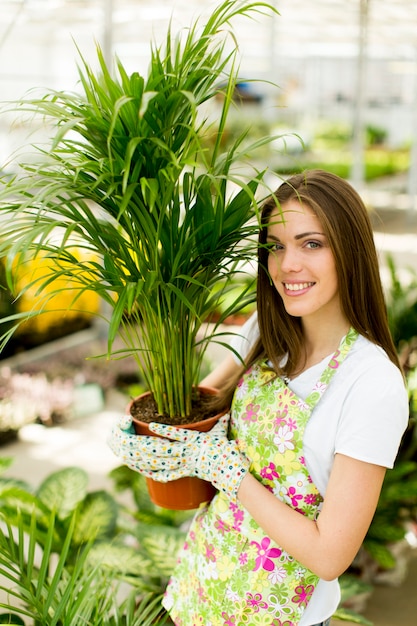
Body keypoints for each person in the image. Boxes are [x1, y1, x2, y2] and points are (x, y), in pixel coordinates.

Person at [108, 169, 409, 626]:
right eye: (275, 246)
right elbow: (200, 408)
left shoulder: (371, 383)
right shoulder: (265, 333)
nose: (287, 265)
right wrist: (149, 435)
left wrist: (230, 474)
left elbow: (329, 556)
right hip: (200, 594)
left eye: (312, 244)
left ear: (351, 251)